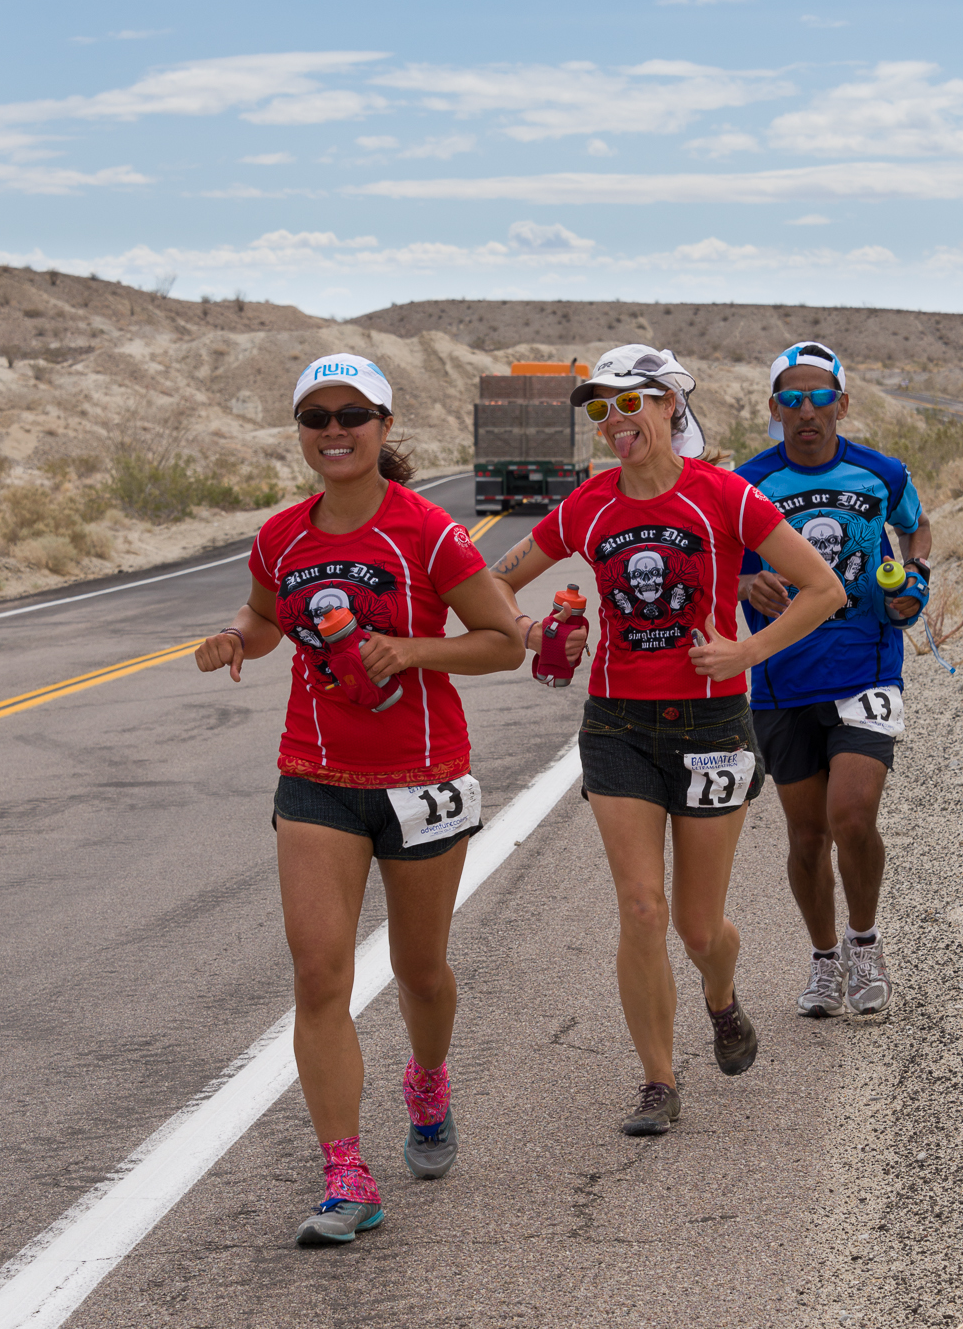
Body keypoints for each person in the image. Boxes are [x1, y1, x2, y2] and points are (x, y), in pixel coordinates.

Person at [195, 353, 523, 1245]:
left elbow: (503, 643)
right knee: (318, 973)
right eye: (315, 416)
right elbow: (268, 620)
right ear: (301, 431)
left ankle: (427, 1080)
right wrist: (235, 637)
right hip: (316, 777)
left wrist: (411, 650)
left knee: (420, 971)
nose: (333, 431)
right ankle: (346, 1171)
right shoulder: (281, 537)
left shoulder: (428, 534)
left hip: (422, 778)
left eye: (352, 414)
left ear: (384, 426)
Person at [489, 344, 844, 1136]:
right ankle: (657, 1081)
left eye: (630, 403)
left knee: (697, 927)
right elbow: (495, 577)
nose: (615, 422)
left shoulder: (726, 496)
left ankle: (720, 997)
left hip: (716, 726)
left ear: (668, 406)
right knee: (642, 908)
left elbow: (825, 588)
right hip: (618, 723)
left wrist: (748, 651)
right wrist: (533, 630)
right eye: (599, 409)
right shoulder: (588, 505)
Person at [735, 341, 932, 1019]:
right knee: (806, 836)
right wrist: (743, 579)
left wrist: (916, 580)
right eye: (792, 399)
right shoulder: (747, 482)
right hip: (783, 676)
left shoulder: (882, 473)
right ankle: (824, 960)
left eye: (820, 397)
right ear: (774, 410)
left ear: (843, 403)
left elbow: (919, 529)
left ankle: (865, 942)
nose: (807, 410)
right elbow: (721, 560)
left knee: (852, 814)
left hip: (867, 662)